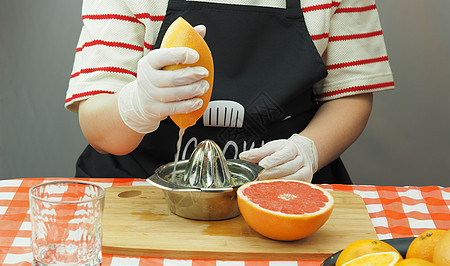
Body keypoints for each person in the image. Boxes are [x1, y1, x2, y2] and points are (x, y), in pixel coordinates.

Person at [65, 0, 394, 183]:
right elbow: (100, 130)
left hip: (283, 189)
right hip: (142, 194)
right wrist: (137, 105)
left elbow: (350, 93)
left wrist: (310, 149)